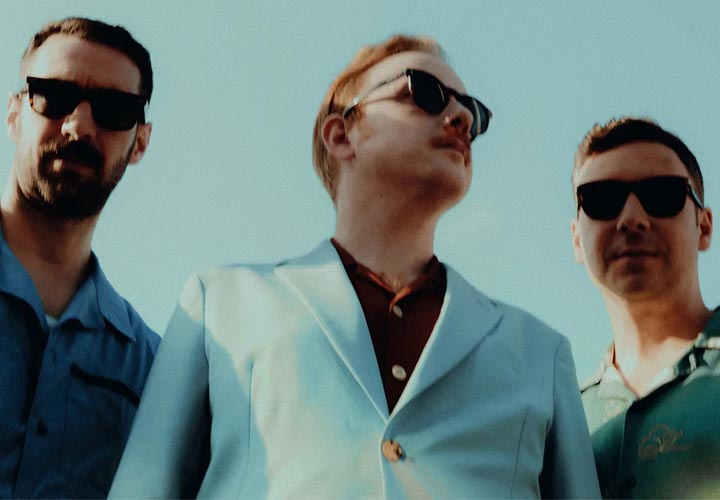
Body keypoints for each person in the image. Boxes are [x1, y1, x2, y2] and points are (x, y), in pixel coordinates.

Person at [110, 34, 599, 498]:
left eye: (473, 112)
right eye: (424, 93)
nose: (460, 118)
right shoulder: (218, 304)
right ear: (341, 134)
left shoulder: (542, 353)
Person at [0, 17, 160, 498]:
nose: (79, 126)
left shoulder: (154, 370)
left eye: (114, 109)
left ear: (140, 142)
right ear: (14, 114)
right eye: (54, 96)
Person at [571, 117, 719, 498]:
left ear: (704, 228)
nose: (631, 220)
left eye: (662, 195)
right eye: (601, 200)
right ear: (577, 240)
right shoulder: (560, 422)